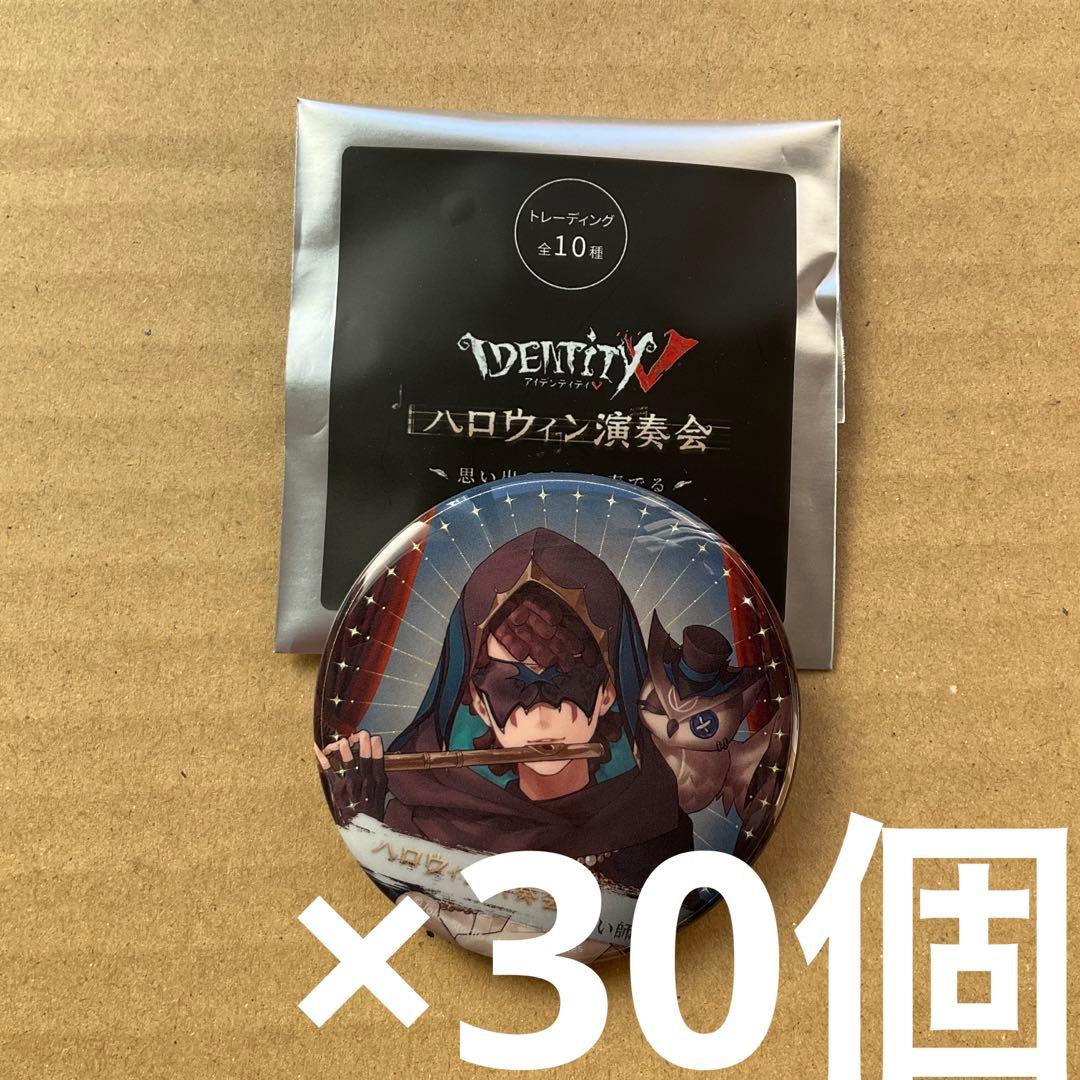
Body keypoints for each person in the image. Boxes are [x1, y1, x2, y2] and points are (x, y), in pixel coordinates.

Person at [317, 527, 693, 891]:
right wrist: (365, 825)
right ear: (479, 702)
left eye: (567, 680)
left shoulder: (654, 825)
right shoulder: (423, 829)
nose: (542, 719)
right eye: (510, 685)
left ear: (607, 692)